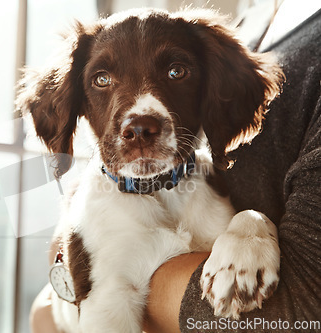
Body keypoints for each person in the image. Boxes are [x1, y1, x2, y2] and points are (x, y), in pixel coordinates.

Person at [30, 0, 321, 331]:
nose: (138, 122)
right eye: (102, 78)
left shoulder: (220, 205)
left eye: (175, 72)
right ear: (76, 102)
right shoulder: (256, 20)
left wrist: (252, 227)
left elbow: (302, 310)